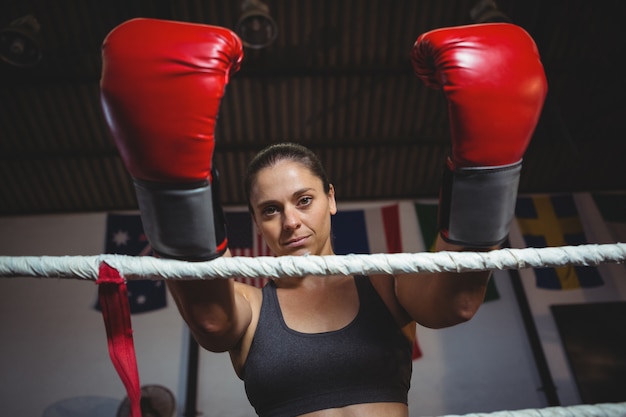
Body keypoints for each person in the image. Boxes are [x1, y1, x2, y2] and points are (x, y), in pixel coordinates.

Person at [100, 18, 547, 417]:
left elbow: (457, 302)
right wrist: (169, 178)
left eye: (304, 200)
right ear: (256, 224)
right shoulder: (251, 306)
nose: (290, 221)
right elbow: (212, 322)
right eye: (270, 210)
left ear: (331, 198)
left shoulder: (385, 280)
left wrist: (489, 164)